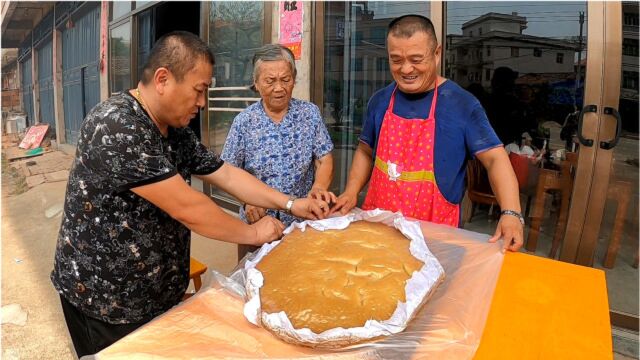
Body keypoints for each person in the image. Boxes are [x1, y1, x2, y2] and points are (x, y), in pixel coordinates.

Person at [50, 31, 330, 358]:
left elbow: (225, 173)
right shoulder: (117, 125)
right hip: (108, 299)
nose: (202, 103)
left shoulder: (176, 131)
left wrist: (292, 204)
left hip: (158, 292)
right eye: (199, 91)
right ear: (163, 79)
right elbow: (188, 207)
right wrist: (253, 232)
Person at [330, 15, 523, 252]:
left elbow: (495, 159)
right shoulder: (380, 101)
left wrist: (511, 212)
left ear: (437, 53)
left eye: (416, 59)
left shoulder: (461, 104)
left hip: (435, 236)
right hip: (378, 229)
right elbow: (365, 151)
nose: (406, 69)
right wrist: (351, 192)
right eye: (396, 60)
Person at [221, 44, 336, 258]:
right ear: (256, 83)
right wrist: (247, 201)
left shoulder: (309, 114)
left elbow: (324, 158)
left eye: (285, 79)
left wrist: (319, 186)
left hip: (302, 221)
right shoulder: (244, 122)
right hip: (258, 226)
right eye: (270, 81)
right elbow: (227, 171)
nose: (279, 88)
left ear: (293, 79)